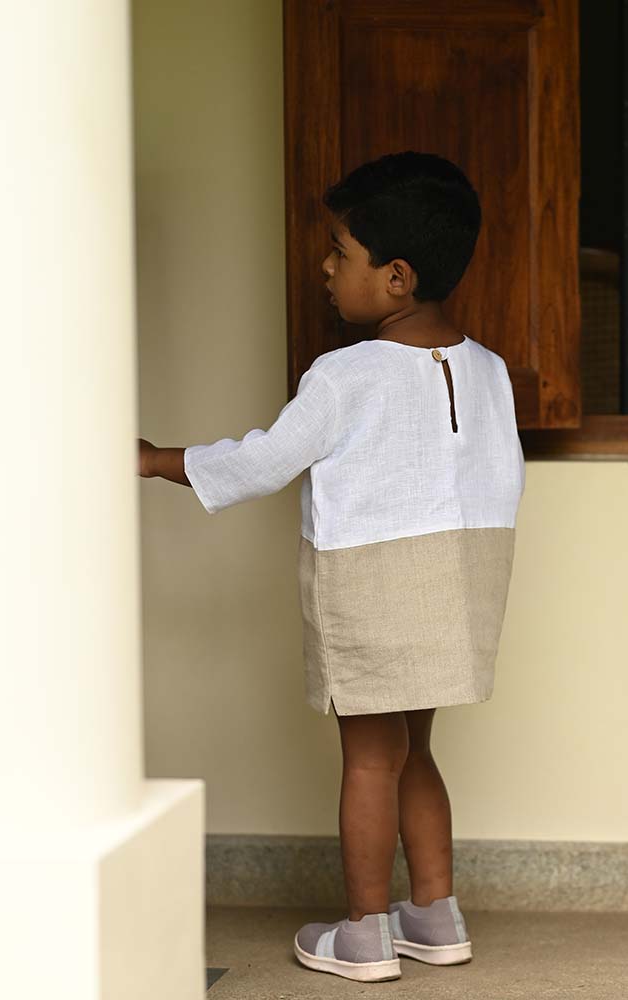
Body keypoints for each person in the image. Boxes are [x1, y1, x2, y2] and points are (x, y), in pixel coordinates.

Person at [138, 150, 525, 983]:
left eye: (338, 252)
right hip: (460, 584)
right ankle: (435, 912)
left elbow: (265, 461)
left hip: (375, 585)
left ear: (394, 277)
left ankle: (363, 933)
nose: (324, 265)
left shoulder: (344, 376)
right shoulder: (490, 372)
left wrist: (157, 459)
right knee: (417, 749)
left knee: (370, 758)